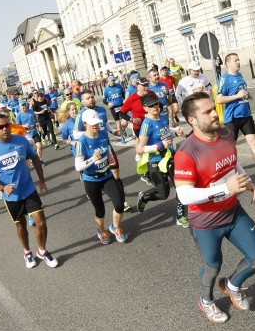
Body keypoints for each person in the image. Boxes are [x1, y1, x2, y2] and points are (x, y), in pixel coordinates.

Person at [174, 92, 255, 324]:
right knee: (212, 266)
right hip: (205, 221)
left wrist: (244, 179)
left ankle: (232, 285)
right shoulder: (187, 152)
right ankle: (205, 301)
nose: (214, 114)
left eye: (213, 108)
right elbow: (184, 195)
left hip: (233, 213)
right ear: (192, 120)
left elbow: (231, 160)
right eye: (207, 112)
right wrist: (225, 188)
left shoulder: (226, 133)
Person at [0, 113, 56, 269]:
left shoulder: (21, 141)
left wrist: (41, 181)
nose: (5, 129)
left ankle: (42, 251)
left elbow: (34, 158)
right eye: (0, 127)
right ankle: (27, 252)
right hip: (11, 196)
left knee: (41, 222)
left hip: (28, 189)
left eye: (7, 125)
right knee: (21, 226)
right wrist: (2, 188)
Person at [216, 52, 255, 181]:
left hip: (246, 115)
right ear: (228, 63)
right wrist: (237, 96)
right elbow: (219, 99)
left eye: (238, 60)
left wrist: (247, 94)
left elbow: (240, 92)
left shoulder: (240, 75)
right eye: (235, 60)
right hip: (232, 118)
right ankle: (229, 174)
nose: (238, 62)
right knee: (230, 148)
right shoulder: (224, 79)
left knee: (254, 142)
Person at [75, 110, 129, 244]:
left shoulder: (104, 134)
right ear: (84, 124)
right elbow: (78, 166)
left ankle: (115, 227)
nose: (96, 126)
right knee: (100, 209)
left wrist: (110, 155)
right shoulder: (82, 142)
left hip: (107, 175)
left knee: (119, 204)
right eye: (92, 124)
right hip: (91, 179)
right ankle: (101, 230)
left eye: (97, 123)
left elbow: (108, 147)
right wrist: (93, 159)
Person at [135, 93, 188, 227]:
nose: (155, 107)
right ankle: (145, 197)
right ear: (145, 108)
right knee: (163, 194)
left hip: (170, 156)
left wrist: (176, 132)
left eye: (156, 103)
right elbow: (140, 149)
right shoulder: (146, 124)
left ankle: (180, 216)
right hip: (156, 161)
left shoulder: (163, 117)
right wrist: (158, 146)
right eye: (151, 105)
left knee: (181, 187)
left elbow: (165, 132)